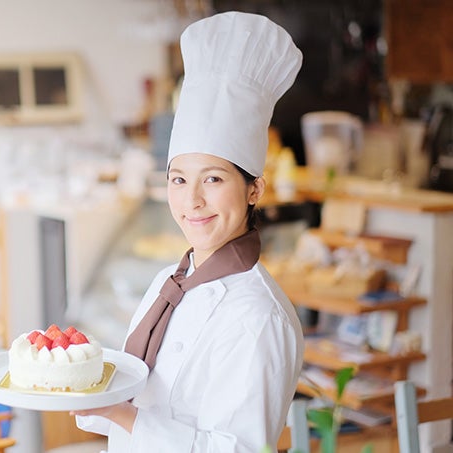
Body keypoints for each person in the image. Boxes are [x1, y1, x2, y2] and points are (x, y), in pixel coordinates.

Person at [73, 11, 305, 452]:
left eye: (213, 179)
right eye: (178, 179)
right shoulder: (168, 282)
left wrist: (121, 414)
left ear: (255, 188)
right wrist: (85, 386)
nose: (192, 200)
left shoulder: (258, 316)